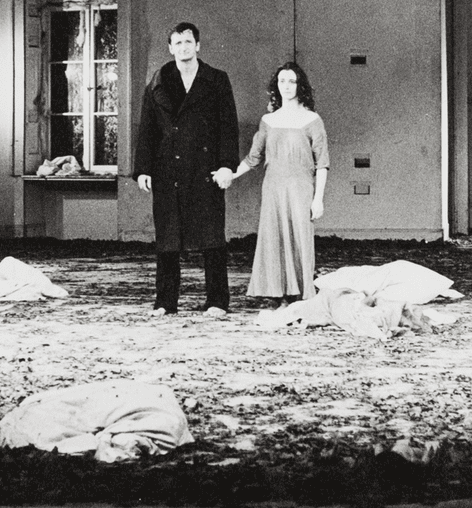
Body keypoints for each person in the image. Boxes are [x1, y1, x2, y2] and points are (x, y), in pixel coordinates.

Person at [132, 22, 241, 317]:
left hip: (205, 169)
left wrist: (226, 166)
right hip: (168, 169)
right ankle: (165, 302)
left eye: (188, 41)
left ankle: (217, 301)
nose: (183, 47)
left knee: (212, 237)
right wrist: (143, 169)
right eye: (178, 43)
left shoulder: (216, 80)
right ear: (170, 48)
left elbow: (228, 127)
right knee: (167, 238)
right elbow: (148, 130)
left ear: (198, 46)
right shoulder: (158, 82)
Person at [227, 61, 329, 303]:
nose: (286, 86)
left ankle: (302, 295)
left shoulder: (313, 120)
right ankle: (278, 294)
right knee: (275, 238)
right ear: (276, 86)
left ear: (300, 85)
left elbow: (322, 163)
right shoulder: (268, 121)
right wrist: (231, 175)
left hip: (301, 189)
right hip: (273, 189)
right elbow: (253, 158)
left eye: (292, 81)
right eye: (282, 80)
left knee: (300, 238)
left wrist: (318, 199)